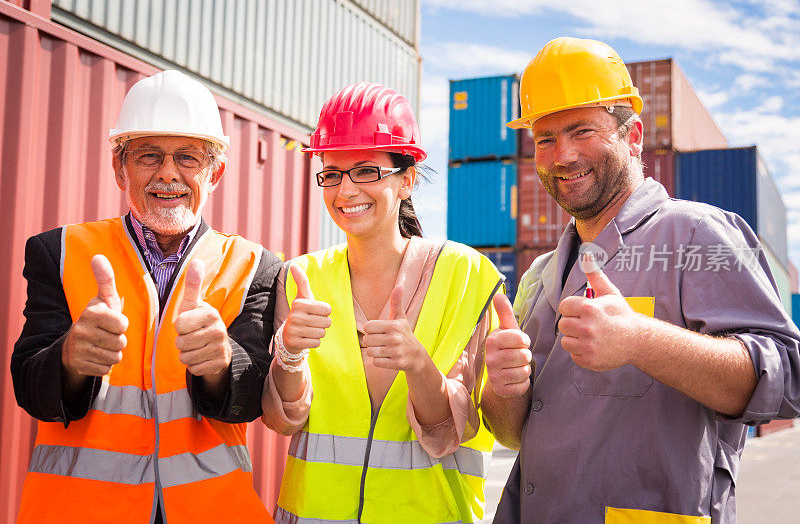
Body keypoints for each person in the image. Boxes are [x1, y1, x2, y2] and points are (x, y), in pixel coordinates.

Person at [483, 37, 800, 523]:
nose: (563, 155)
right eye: (544, 138)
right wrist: (505, 391)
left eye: (582, 130)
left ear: (632, 136)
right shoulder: (543, 273)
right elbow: (512, 434)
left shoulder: (697, 235)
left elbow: (788, 382)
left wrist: (640, 340)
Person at [10, 70, 281, 523]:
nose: (168, 174)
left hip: (210, 512)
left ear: (216, 172)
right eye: (148, 156)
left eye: (188, 159)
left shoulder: (256, 267)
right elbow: (29, 387)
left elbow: (250, 402)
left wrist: (221, 365)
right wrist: (70, 358)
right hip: (83, 513)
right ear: (120, 168)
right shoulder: (57, 252)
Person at [260, 82, 503, 523]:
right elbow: (285, 421)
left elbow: (453, 431)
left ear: (407, 180)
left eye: (367, 170)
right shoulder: (300, 279)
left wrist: (418, 365)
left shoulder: (465, 277)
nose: (346, 190)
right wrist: (290, 355)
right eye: (331, 174)